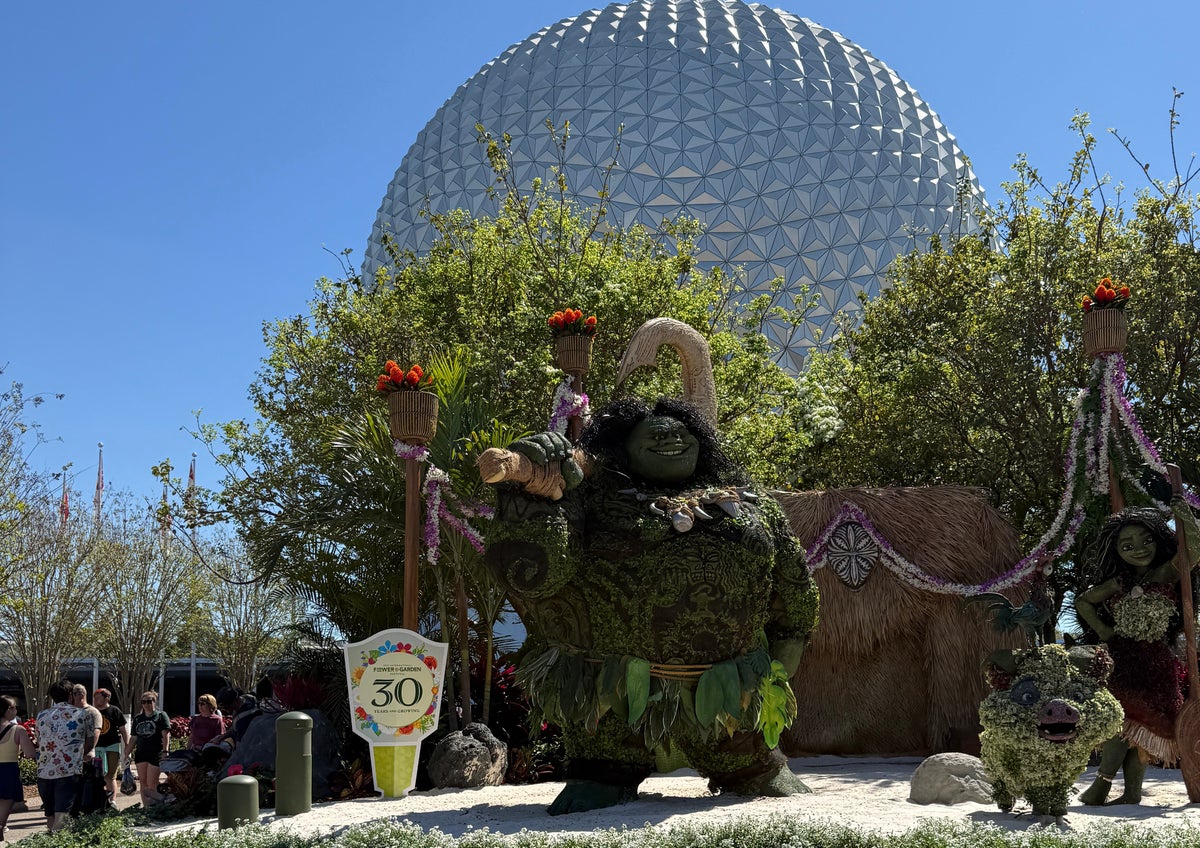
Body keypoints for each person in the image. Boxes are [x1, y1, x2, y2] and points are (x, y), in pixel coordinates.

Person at [1074, 499, 1200, 805]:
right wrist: (1104, 631)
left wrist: (1187, 518)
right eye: (1127, 545)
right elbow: (1083, 602)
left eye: (1146, 541)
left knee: (1139, 730)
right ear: (1116, 550)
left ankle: (1128, 792)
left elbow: (1193, 552)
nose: (1139, 549)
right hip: (1124, 660)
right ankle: (1105, 786)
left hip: (1157, 661)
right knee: (1122, 724)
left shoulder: (1165, 574)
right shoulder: (1118, 582)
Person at [35, 680, 96, 832]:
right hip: (68, 770)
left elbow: (39, 739)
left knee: (50, 815)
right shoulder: (83, 714)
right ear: (71, 695)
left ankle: (49, 840)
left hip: (44, 770)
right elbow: (90, 741)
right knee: (62, 815)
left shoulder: (41, 715)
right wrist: (80, 754)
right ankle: (57, 841)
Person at [0, 696, 37, 842]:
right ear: (8, 709)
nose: (16, 710)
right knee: (1, 818)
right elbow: (30, 754)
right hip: (8, 771)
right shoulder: (18, 730)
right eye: (15, 707)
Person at [124, 691, 170, 807]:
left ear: (154, 702)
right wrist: (126, 754)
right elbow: (133, 738)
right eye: (143, 702)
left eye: (149, 701)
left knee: (152, 782)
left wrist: (165, 751)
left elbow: (166, 735)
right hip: (141, 753)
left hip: (156, 752)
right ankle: (146, 807)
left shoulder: (160, 716)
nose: (146, 704)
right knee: (143, 783)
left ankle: (157, 805)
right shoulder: (138, 718)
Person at [91, 689, 129, 799]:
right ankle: (98, 802)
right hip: (96, 748)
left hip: (112, 747)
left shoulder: (115, 711)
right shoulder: (92, 712)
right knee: (96, 776)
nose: (96, 699)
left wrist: (127, 745)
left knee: (110, 776)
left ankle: (112, 802)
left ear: (107, 698)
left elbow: (123, 730)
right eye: (95, 697)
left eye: (98, 697)